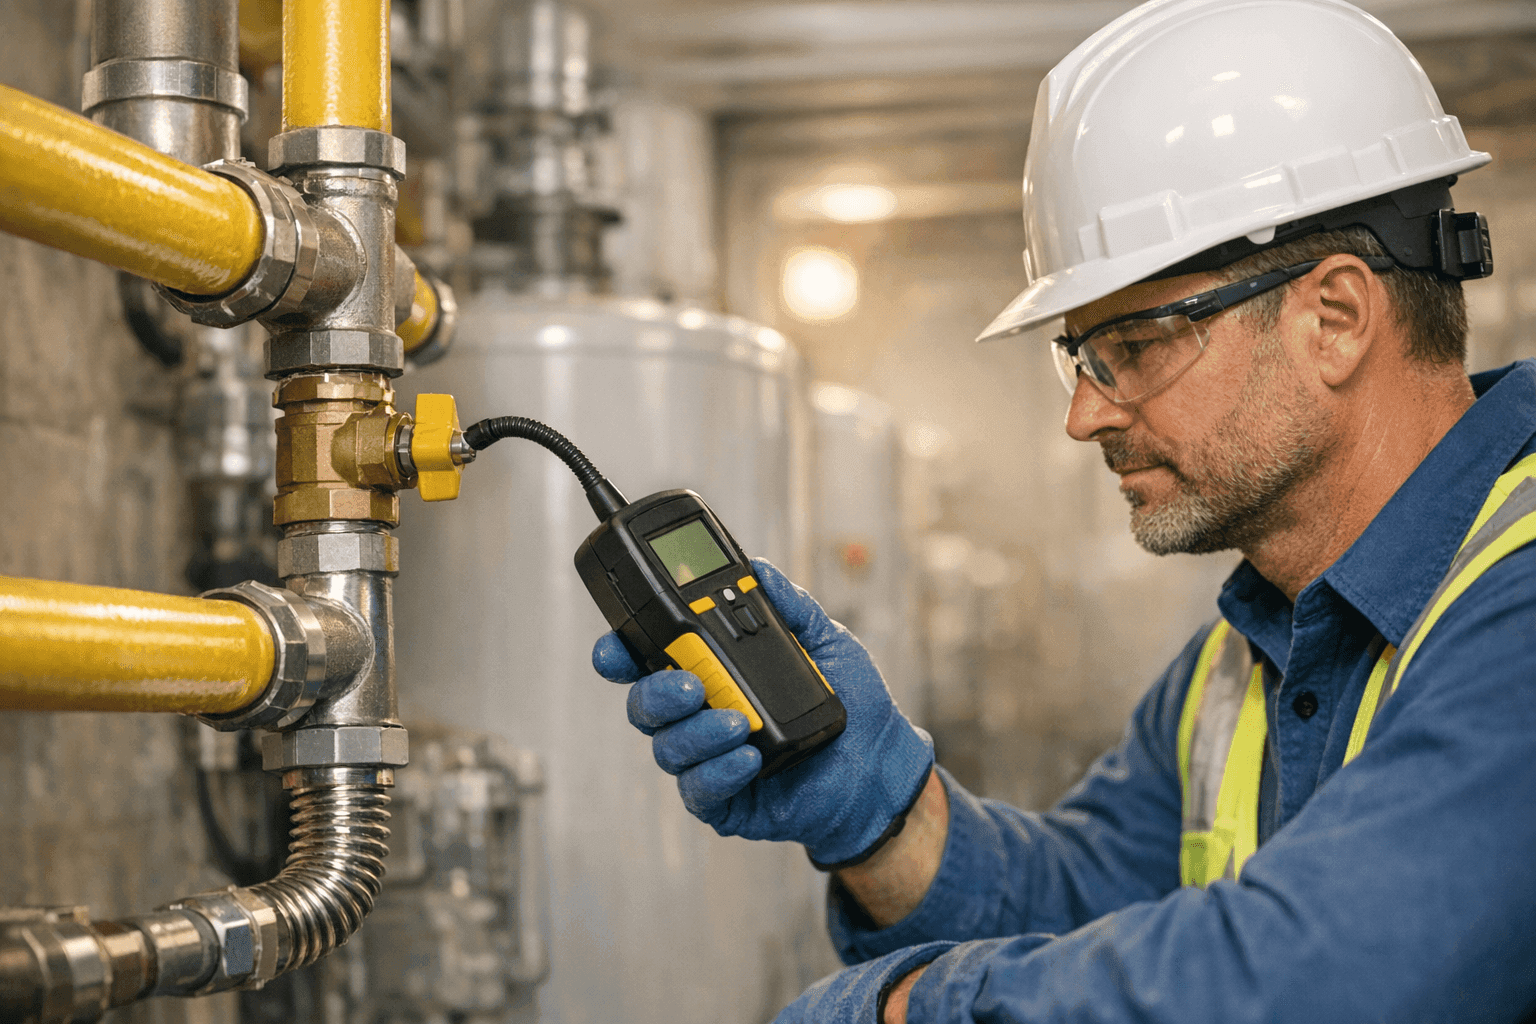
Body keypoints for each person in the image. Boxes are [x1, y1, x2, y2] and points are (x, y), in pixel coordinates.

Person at [591, 0, 1536, 1020]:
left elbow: (1325, 970)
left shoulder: (1515, 606)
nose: (1085, 414)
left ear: (1335, 318)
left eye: (1134, 347)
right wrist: (881, 813)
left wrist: (910, 1008)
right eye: (1079, 359)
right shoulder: (1244, 654)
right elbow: (1092, 899)